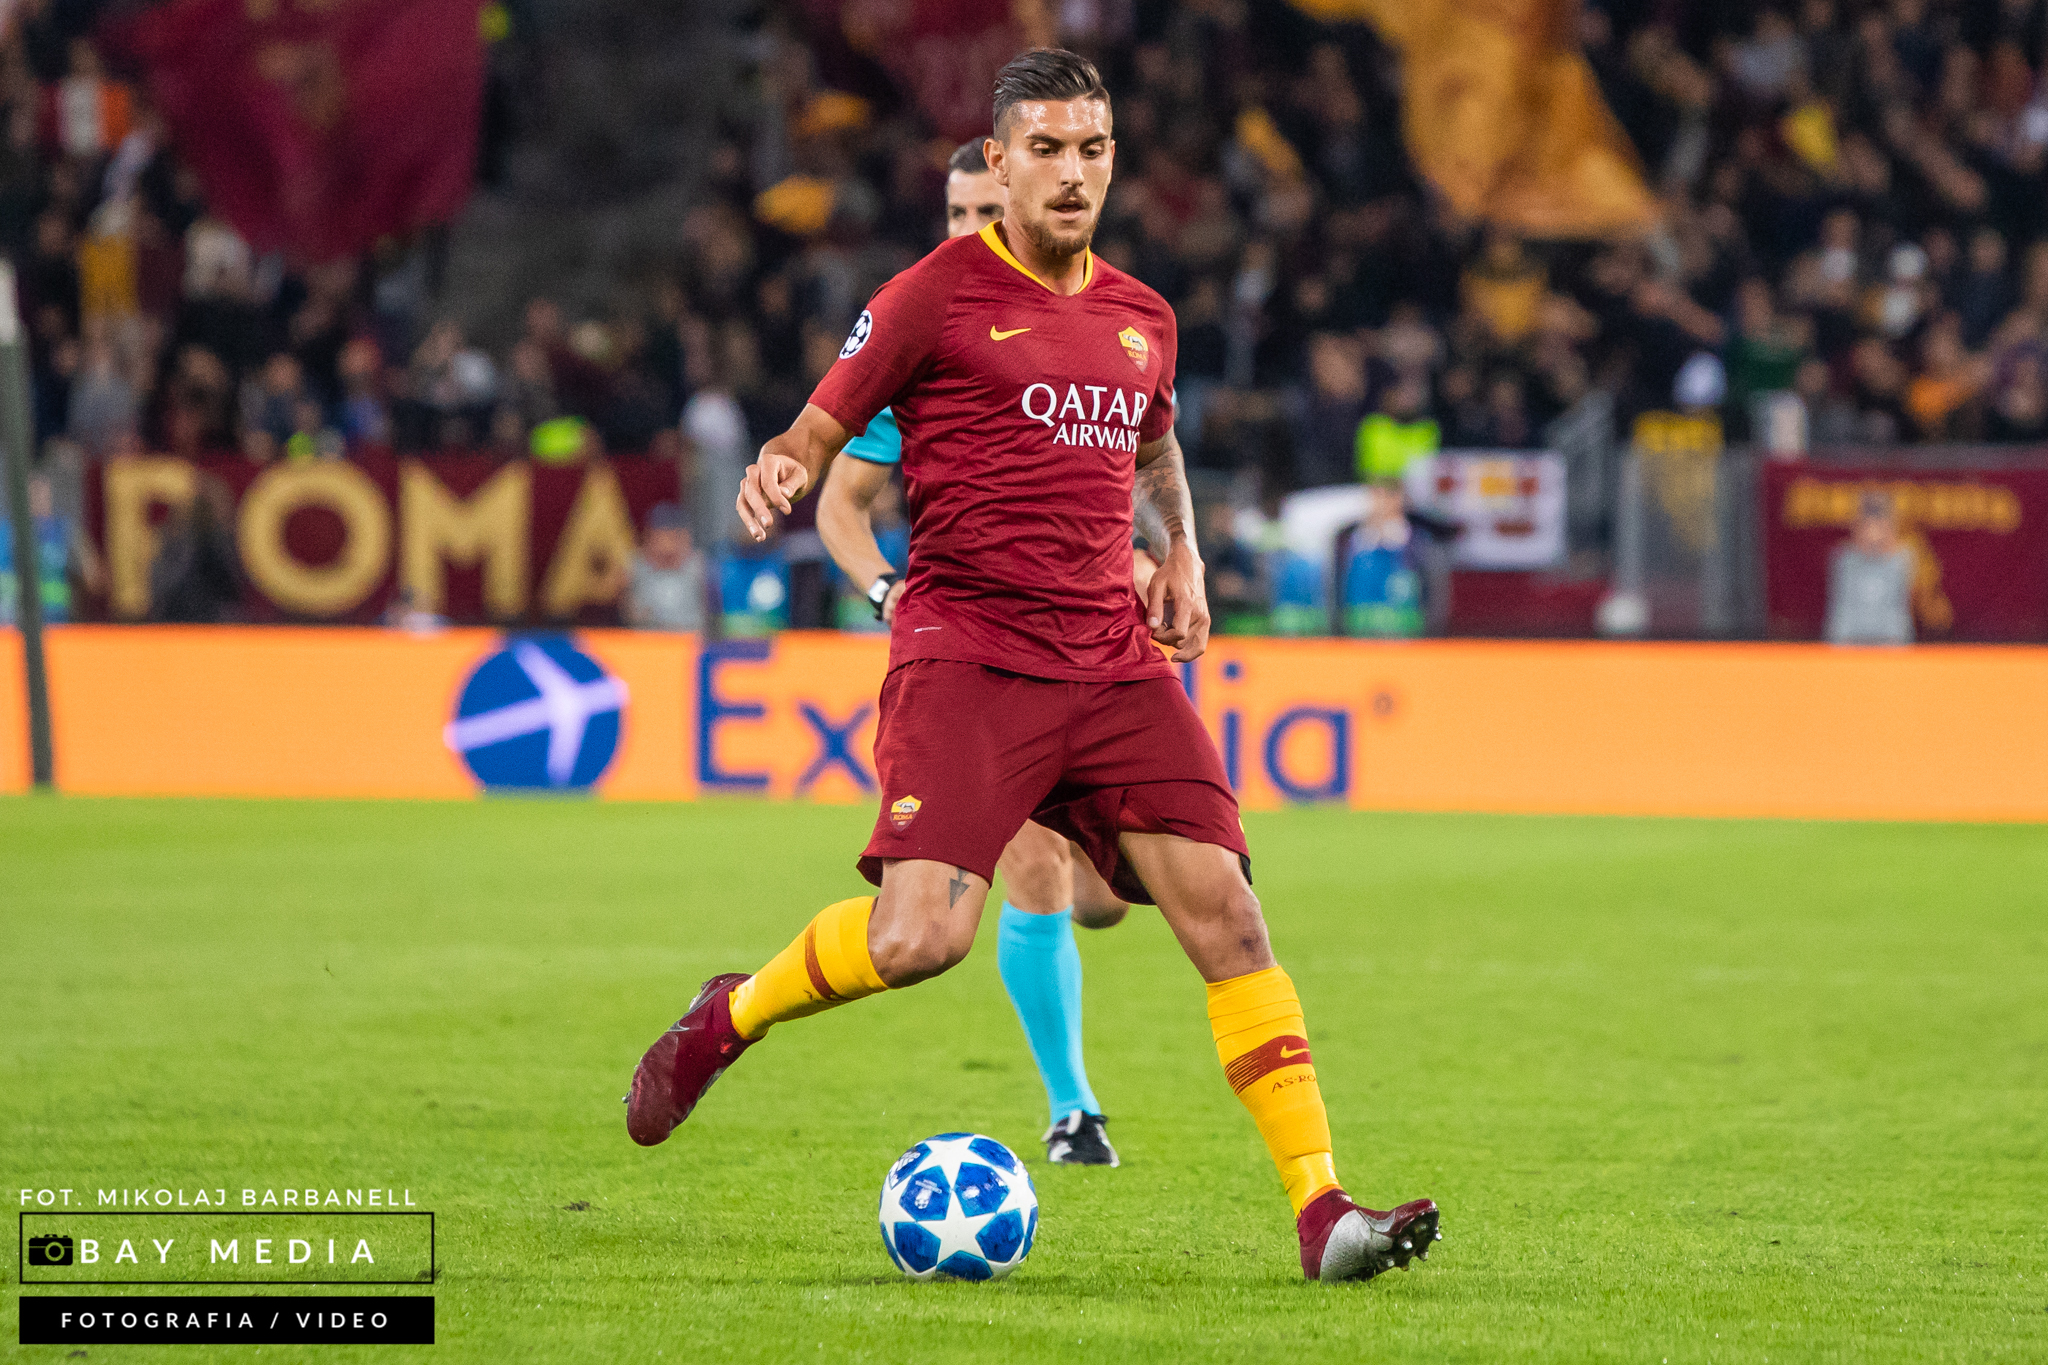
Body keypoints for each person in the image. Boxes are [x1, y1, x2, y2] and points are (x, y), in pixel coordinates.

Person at [626, 49, 1440, 1283]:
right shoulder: (932, 294)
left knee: (1226, 915)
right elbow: (820, 421)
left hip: (1110, 661)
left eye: (1092, 149)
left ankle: (1321, 1209)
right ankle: (729, 1015)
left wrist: (1183, 555)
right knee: (918, 942)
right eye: (1046, 149)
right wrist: (781, 465)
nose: (1071, 172)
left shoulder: (1143, 315)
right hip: (969, 655)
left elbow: (1153, 450)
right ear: (998, 163)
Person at [815, 136, 1129, 1167]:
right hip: (971, 645)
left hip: (1087, 639)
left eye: (981, 212)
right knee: (1030, 859)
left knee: (1102, 898)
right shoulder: (926, 332)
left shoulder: (1092, 327)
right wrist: (882, 588)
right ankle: (1073, 1108)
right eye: (953, 214)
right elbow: (840, 503)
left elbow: (1134, 475)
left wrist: (1151, 559)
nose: (964, 232)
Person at [1826, 491, 1914, 645]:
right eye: (1867, 525)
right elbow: (1841, 617)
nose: (1873, 533)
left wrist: (1884, 547)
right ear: (1857, 527)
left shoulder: (1901, 560)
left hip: (1890, 644)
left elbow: (1899, 620)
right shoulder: (1845, 560)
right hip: (1850, 643)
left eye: (1880, 525)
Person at [623, 502, 708, 631]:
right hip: (646, 639)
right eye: (659, 538)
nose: (666, 545)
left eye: (673, 537)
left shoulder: (699, 566)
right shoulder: (635, 567)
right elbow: (630, 614)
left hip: (689, 638)